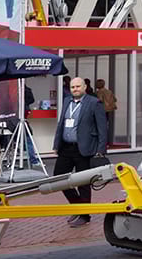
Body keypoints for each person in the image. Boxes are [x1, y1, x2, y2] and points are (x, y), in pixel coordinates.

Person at [52, 77, 108, 227]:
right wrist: (56, 143)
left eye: (77, 86)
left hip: (85, 148)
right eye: (72, 87)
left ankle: (84, 215)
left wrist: (101, 150)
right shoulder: (67, 101)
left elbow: (103, 128)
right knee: (58, 178)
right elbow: (61, 124)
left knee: (83, 183)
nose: (75, 89)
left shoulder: (94, 103)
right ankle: (78, 207)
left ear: (84, 87)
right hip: (66, 148)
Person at [95, 79, 116, 145]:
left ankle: (102, 142)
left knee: (100, 126)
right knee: (106, 125)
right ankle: (107, 141)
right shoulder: (109, 91)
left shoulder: (98, 92)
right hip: (109, 110)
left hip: (101, 110)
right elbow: (115, 99)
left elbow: (99, 100)